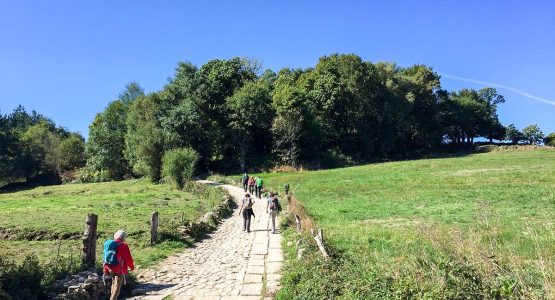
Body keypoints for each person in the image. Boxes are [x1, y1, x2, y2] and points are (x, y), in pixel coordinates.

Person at [103, 230, 134, 300]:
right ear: (123, 237)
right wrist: (132, 267)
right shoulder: (123, 245)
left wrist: (106, 268)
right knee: (117, 286)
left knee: (114, 283)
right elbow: (128, 258)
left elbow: (104, 256)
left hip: (109, 267)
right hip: (119, 268)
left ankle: (112, 298)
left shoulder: (108, 244)